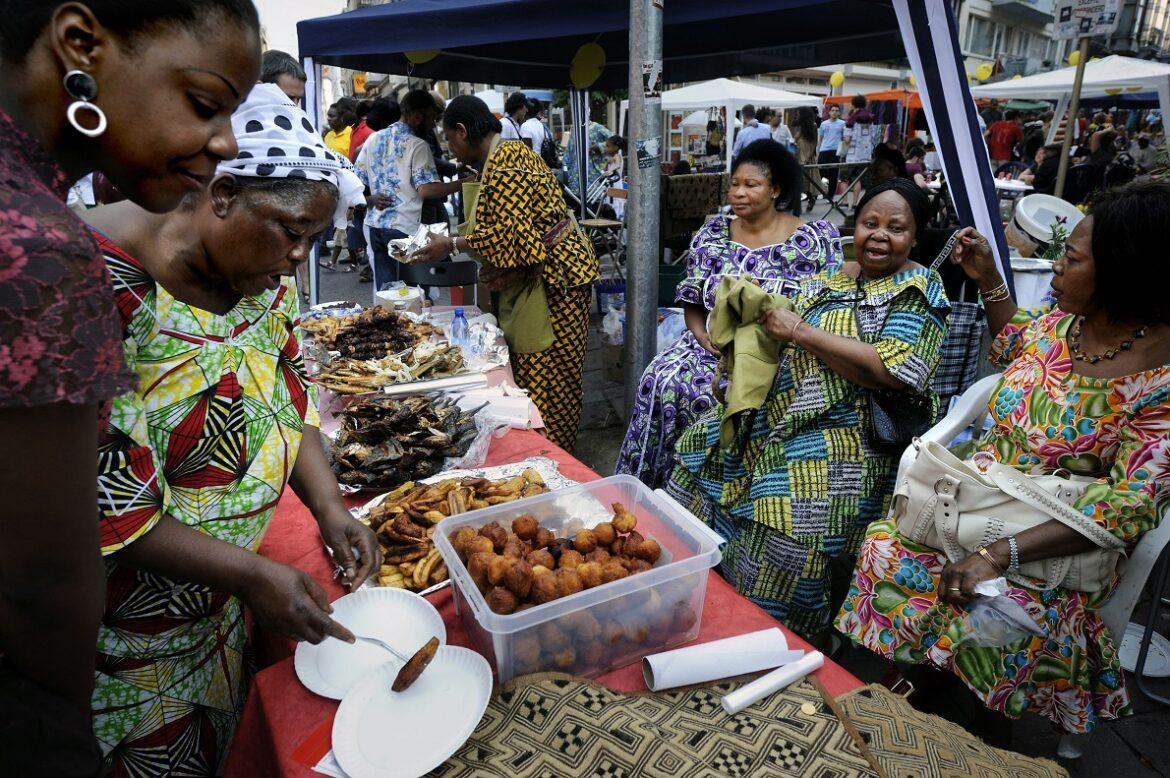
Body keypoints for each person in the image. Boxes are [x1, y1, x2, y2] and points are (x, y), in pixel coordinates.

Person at [83, 83, 376, 773]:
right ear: (222, 196)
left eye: (313, 238)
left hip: (220, 618)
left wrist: (329, 506)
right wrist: (250, 573)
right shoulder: (100, 290)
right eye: (292, 232)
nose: (300, 256)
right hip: (127, 644)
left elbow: (288, 394)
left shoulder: (262, 277)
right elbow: (111, 510)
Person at [0, 3, 260, 774]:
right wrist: (67, 739)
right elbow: (40, 584)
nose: (226, 143)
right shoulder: (38, 247)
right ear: (81, 44)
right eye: (205, 103)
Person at [838, 180, 1170, 738]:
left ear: (1122, 273)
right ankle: (925, 691)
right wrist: (988, 277)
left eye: (1071, 258)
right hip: (978, 503)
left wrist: (999, 555)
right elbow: (1015, 342)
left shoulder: (1161, 383)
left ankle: (980, 727)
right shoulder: (1063, 325)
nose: (1056, 266)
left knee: (1002, 609)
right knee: (886, 548)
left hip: (1057, 542)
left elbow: (1128, 508)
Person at [667, 178, 949, 640]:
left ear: (915, 236)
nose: (879, 235)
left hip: (849, 434)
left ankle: (778, 638)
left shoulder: (919, 289)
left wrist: (801, 332)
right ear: (855, 226)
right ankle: (698, 609)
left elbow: (891, 370)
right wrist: (737, 364)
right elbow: (774, 333)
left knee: (780, 519)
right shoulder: (832, 278)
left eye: (896, 228)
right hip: (779, 414)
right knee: (693, 464)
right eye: (870, 223)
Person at [615, 140, 841, 488]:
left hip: (779, 353)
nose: (739, 192)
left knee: (740, 399)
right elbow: (692, 298)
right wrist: (699, 334)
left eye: (751, 184)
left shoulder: (812, 240)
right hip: (713, 347)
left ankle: (721, 491)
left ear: (775, 189)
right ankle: (649, 488)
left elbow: (828, 305)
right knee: (661, 378)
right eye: (734, 183)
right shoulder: (714, 234)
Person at [411, 95, 599, 450]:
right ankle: (545, 449)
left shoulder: (507, 161)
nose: (452, 151)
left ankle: (553, 453)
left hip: (559, 278)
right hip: (549, 273)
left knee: (552, 376)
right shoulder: (499, 160)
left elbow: (512, 236)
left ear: (462, 131)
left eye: (450, 140)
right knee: (540, 372)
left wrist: (452, 244)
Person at [354, 89, 465, 292]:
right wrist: (464, 183)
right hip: (404, 228)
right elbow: (427, 190)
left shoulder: (373, 139)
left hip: (375, 226)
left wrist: (371, 198)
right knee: (412, 293)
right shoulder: (418, 145)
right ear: (417, 117)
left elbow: (356, 180)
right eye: (432, 119)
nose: (433, 126)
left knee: (388, 293)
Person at [564, 118, 612, 207]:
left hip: (593, 174)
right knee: (577, 205)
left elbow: (614, 140)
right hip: (575, 175)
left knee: (592, 206)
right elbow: (570, 149)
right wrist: (566, 167)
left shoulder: (597, 128)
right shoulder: (574, 128)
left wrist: (599, 147)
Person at [817, 105, 847, 204]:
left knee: (833, 175)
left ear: (839, 113)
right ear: (829, 112)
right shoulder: (823, 124)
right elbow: (820, 139)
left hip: (835, 151)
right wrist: (818, 151)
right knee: (820, 173)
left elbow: (844, 139)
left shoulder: (842, 124)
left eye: (836, 110)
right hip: (824, 151)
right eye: (833, 110)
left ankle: (830, 197)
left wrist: (843, 152)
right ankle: (819, 192)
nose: (834, 112)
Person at [794, 107, 819, 205]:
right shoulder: (799, 125)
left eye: (798, 114)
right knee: (798, 180)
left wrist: (808, 157)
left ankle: (811, 198)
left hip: (807, 153)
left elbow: (814, 143)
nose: (797, 115)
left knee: (807, 181)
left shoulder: (813, 125)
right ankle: (797, 204)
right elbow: (795, 138)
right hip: (798, 152)